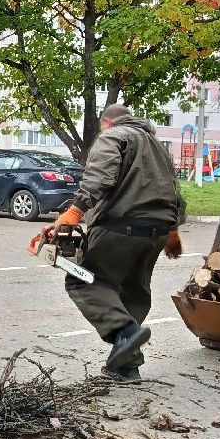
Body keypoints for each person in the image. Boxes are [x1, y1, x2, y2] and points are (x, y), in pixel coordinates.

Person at [34, 104, 185, 382]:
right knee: (132, 291)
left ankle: (126, 333)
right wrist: (173, 230)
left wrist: (74, 211)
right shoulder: (158, 146)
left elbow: (99, 177)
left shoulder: (113, 137)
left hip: (120, 226)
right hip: (156, 231)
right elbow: (174, 191)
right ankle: (126, 367)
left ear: (107, 123)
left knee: (83, 281)